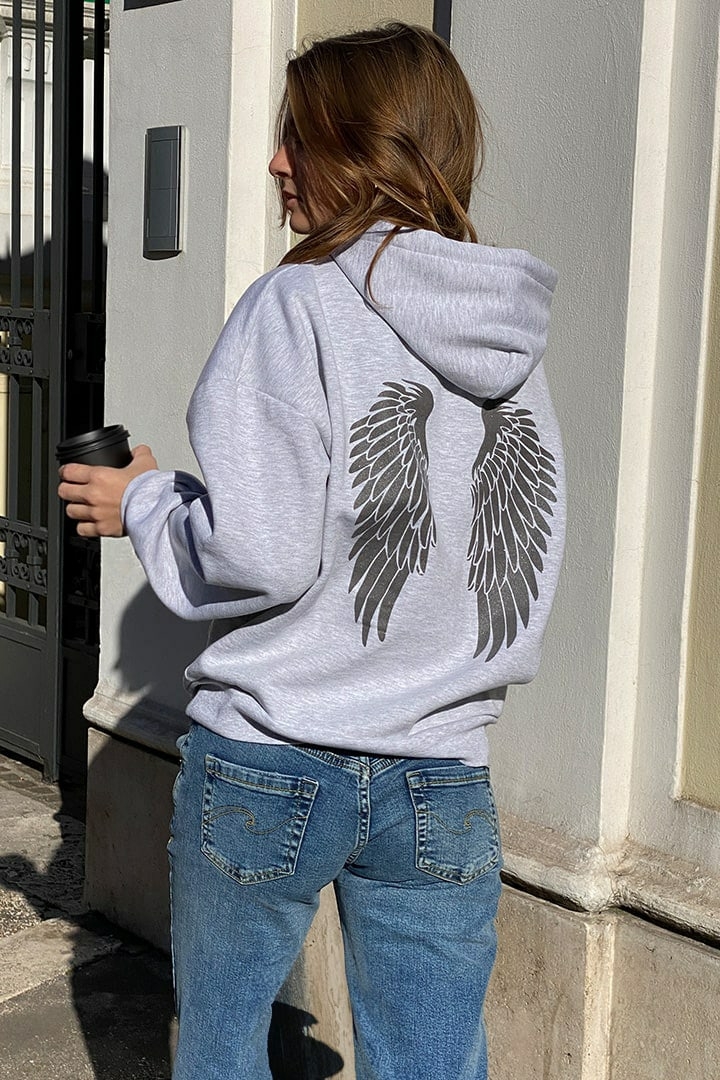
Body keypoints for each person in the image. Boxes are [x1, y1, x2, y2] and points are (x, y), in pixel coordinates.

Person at [59, 23, 564, 1080]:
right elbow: (502, 554)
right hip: (443, 770)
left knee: (224, 1053)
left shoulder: (297, 304)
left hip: (273, 755)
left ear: (369, 147)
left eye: (301, 135)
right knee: (434, 1064)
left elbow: (264, 553)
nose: (275, 161)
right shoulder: (506, 336)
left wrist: (143, 501)